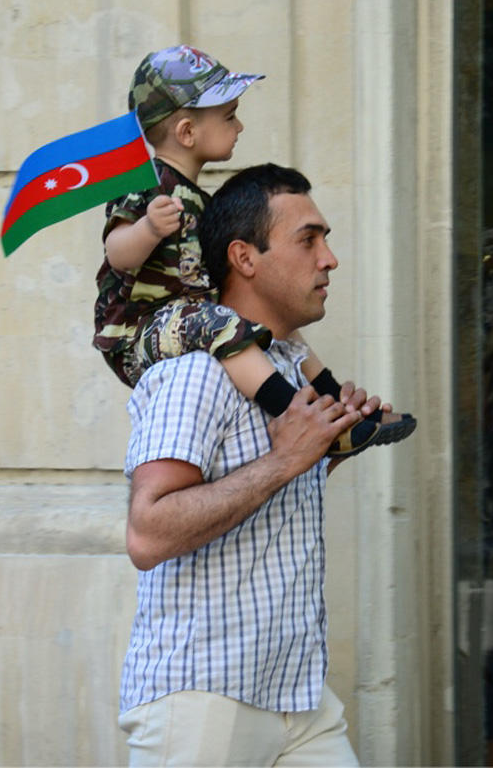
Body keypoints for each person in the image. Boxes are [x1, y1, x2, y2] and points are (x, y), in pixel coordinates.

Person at [117, 163, 373, 766]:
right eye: (308, 240)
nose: (329, 258)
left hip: (298, 695)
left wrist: (328, 447)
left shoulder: (284, 369)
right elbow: (148, 532)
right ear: (245, 257)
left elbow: (264, 489)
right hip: (202, 703)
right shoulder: (196, 373)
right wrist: (287, 460)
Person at [93, 45, 415, 456]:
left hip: (189, 315)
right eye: (229, 116)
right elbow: (117, 253)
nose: (239, 126)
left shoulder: (198, 200)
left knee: (282, 326)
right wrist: (148, 228)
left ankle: (339, 408)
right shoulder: (145, 184)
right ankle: (296, 416)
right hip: (139, 333)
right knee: (216, 324)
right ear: (187, 132)